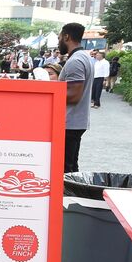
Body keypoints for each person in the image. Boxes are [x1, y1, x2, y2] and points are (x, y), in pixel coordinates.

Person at [57, 23, 94, 173]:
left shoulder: (75, 61)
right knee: (71, 166)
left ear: (66, 36)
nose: (58, 41)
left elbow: (74, 95)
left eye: (59, 37)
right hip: (75, 122)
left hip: (70, 122)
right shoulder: (83, 57)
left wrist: (49, 95)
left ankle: (68, 196)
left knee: (66, 168)